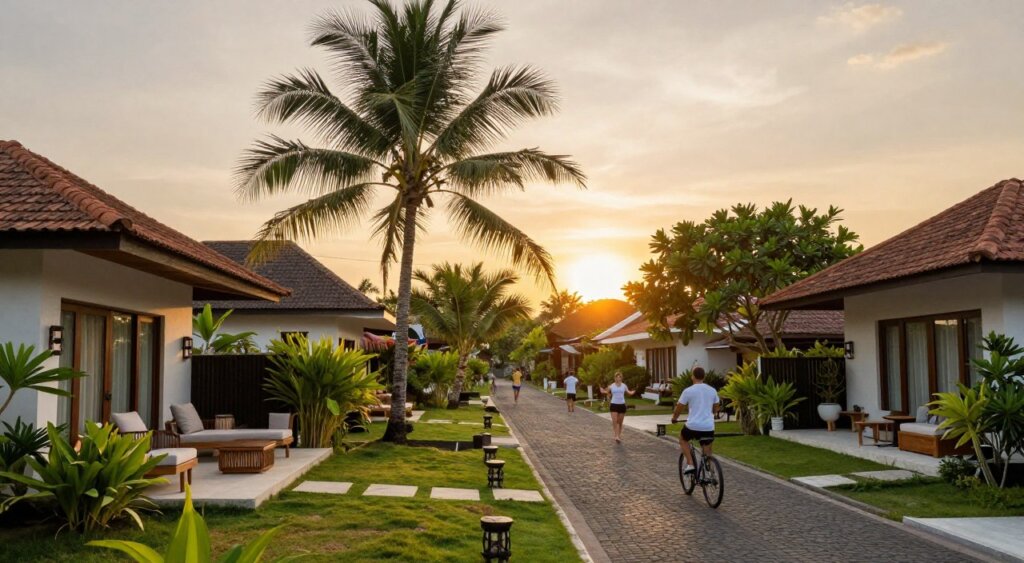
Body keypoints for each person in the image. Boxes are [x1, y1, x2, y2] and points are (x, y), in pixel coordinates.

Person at [671, 366, 720, 474]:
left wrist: (674, 418)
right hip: (708, 426)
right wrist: (710, 414)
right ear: (704, 376)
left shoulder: (688, 391)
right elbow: (716, 407)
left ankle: (690, 463)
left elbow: (679, 407)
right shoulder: (712, 390)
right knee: (707, 448)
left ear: (692, 376)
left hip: (692, 426)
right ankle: (709, 470)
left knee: (683, 439)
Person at [599, 371, 635, 442]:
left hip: (622, 405)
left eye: (619, 377)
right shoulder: (611, 386)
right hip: (614, 405)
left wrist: (632, 392)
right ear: (614, 378)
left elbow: (628, 392)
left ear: (621, 378)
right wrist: (602, 391)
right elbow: (606, 391)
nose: (618, 378)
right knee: (615, 421)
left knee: (620, 422)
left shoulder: (624, 386)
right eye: (616, 377)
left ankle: (619, 435)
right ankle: (616, 436)